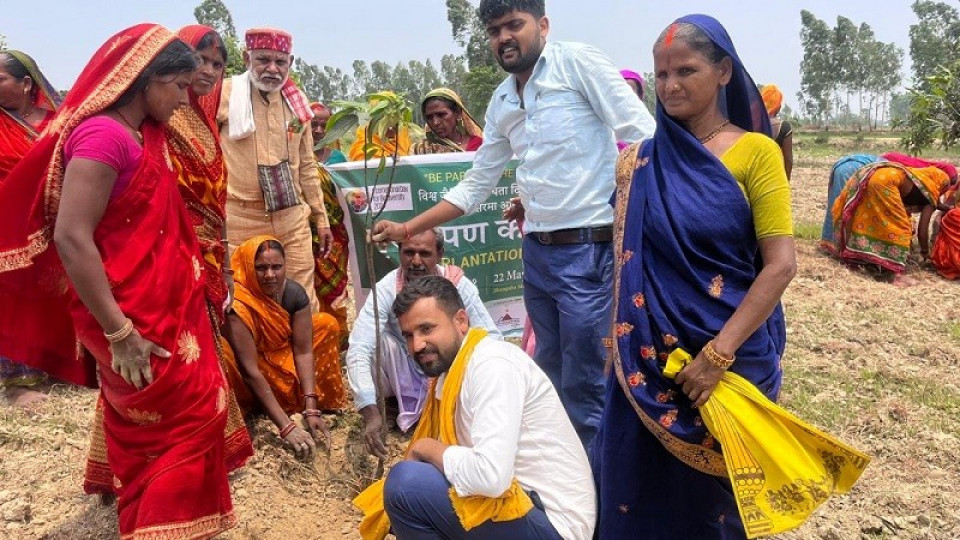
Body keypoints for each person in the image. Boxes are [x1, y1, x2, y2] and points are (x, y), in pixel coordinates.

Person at [372, 0, 656, 448]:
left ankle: (599, 501)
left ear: (542, 24)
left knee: (586, 386)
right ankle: (564, 482)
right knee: (549, 376)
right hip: (538, 255)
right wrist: (408, 229)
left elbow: (643, 137)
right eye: (494, 30)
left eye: (514, 25)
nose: (504, 37)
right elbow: (476, 184)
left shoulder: (575, 64)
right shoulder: (503, 99)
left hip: (589, 251)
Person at [0, 24, 237, 538]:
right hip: (131, 318)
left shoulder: (146, 132)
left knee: (192, 421)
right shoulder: (103, 138)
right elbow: (72, 239)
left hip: (172, 308)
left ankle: (172, 521)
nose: (184, 98)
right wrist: (119, 332)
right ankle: (160, 526)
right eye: (177, 85)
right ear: (144, 81)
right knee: (179, 429)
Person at [592, 15, 796, 538]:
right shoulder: (638, 160)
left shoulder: (757, 153)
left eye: (686, 70)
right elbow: (626, 258)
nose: (671, 85)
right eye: (662, 75)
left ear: (724, 71)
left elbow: (780, 264)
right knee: (640, 491)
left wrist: (718, 355)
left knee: (717, 506)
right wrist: (615, 340)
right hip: (646, 356)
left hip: (726, 361)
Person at [82, 24, 256, 499]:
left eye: (218, 64)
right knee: (155, 366)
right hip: (155, 257)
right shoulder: (149, 123)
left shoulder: (197, 117)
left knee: (195, 356)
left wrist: (219, 260)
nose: (206, 72)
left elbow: (216, 196)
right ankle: (151, 478)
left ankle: (200, 458)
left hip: (201, 252)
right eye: (199, 60)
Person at [356, 275, 595, 540]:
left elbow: (490, 476)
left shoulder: (492, 365)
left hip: (553, 524)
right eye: (408, 335)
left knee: (406, 486)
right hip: (516, 506)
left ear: (461, 321)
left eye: (427, 329)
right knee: (409, 497)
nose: (417, 345)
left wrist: (425, 446)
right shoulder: (450, 374)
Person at [346, 228, 501, 459]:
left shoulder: (458, 285)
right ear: (399, 253)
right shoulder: (387, 288)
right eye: (409, 253)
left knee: (473, 342)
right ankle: (389, 406)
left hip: (448, 371)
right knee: (374, 343)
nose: (416, 262)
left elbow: (491, 337)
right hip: (407, 369)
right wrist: (370, 412)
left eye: (424, 253)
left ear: (439, 254)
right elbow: (360, 347)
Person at [218, 27, 333, 312]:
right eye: (263, 60)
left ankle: (303, 357)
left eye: (280, 62)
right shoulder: (225, 95)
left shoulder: (298, 104)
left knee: (302, 299)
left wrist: (321, 218)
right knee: (240, 303)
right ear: (247, 58)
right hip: (238, 218)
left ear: (290, 63)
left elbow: (307, 164)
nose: (272, 69)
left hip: (290, 218)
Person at [221, 235, 345, 458]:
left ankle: (302, 401)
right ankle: (255, 410)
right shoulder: (238, 304)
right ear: (249, 268)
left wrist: (311, 405)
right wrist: (286, 426)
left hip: (283, 363)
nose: (270, 275)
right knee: (221, 351)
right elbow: (250, 372)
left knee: (325, 324)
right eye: (261, 268)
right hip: (251, 379)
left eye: (276, 267)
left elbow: (304, 350)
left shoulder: (293, 293)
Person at [0, 49, 61, 405]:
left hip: (55, 224)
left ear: (25, 84)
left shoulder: (58, 123)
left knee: (55, 295)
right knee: (12, 299)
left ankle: (59, 369)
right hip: (7, 225)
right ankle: (18, 382)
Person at [830, 160, 950, 284]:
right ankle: (894, 273)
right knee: (901, 228)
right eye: (944, 188)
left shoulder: (917, 178)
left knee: (872, 223)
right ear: (940, 184)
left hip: (874, 175)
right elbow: (922, 231)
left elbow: (932, 202)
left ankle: (865, 261)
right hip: (886, 184)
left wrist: (947, 208)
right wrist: (925, 252)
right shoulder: (929, 196)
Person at [309, 101, 351, 342]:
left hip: (336, 232)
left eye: (324, 125)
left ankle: (340, 332)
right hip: (308, 231)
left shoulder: (338, 158)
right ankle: (319, 333)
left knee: (337, 281)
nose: (318, 130)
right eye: (313, 124)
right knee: (311, 281)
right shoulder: (298, 156)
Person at [820, 154, 880, 252]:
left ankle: (829, 242)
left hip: (841, 168)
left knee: (835, 205)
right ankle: (839, 246)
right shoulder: (889, 169)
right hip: (851, 172)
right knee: (846, 209)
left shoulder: (880, 161)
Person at [411, 88, 484, 154]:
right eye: (429, 117)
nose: (435, 122)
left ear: (458, 113)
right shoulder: (421, 149)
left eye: (441, 115)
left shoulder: (479, 146)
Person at [348, 93, 412, 161]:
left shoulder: (402, 134)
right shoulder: (364, 147)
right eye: (385, 116)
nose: (392, 123)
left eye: (396, 116)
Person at [760, 84, 793, 179]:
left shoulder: (752, 125)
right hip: (776, 177)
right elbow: (788, 159)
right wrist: (786, 181)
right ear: (778, 106)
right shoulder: (784, 127)